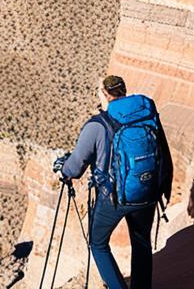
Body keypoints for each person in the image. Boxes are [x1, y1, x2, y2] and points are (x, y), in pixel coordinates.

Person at [54, 75, 172, 289]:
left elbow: (74, 168)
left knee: (98, 244)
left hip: (114, 198)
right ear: (124, 91)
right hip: (148, 190)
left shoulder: (98, 125)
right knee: (141, 242)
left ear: (104, 94)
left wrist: (62, 167)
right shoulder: (146, 113)